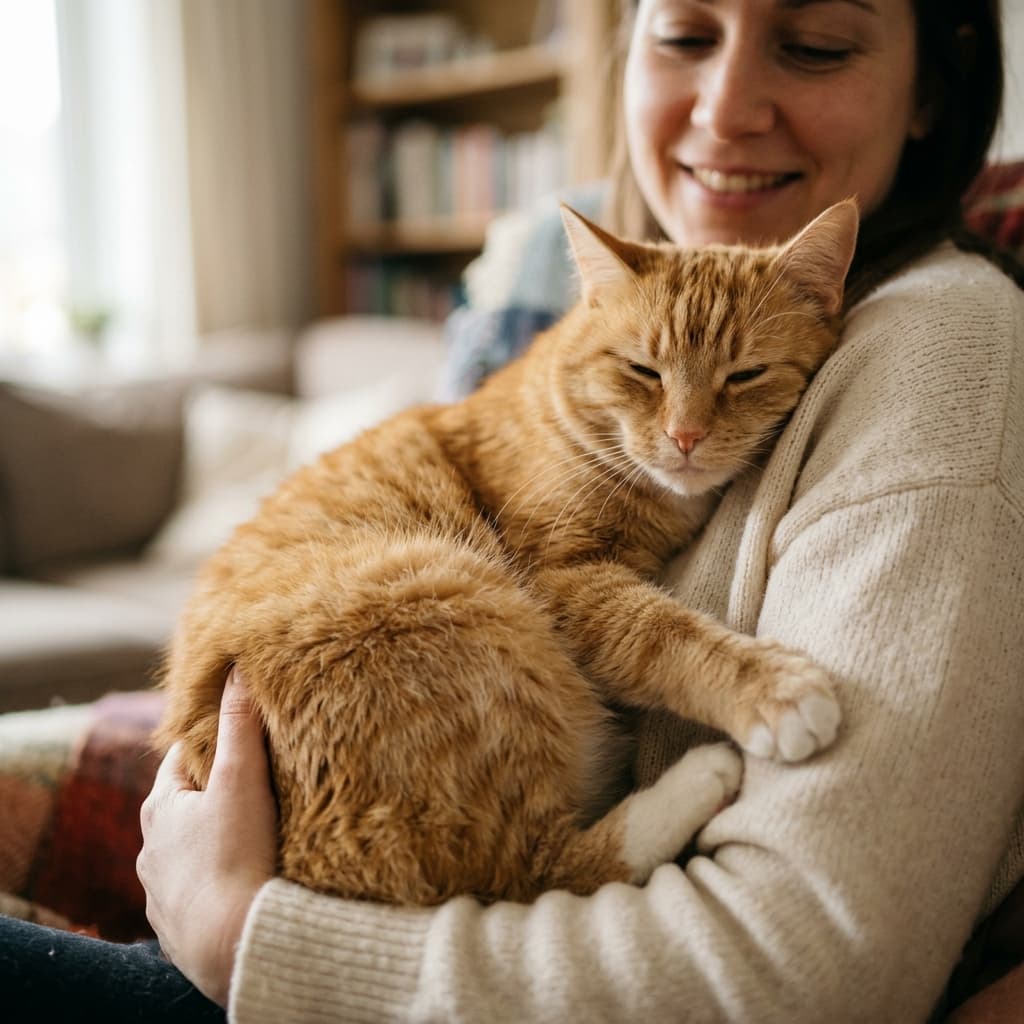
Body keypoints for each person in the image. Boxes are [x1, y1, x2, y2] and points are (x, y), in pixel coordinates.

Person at [5, 0, 1022, 1020]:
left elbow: (804, 968)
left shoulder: (941, 352)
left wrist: (245, 936)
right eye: (682, 37)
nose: (725, 112)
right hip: (379, 848)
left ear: (933, 87)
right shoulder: (610, 308)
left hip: (356, 967)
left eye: (813, 46)